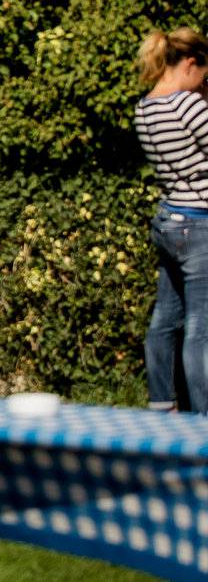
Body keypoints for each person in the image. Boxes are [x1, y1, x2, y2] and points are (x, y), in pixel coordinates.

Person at [135, 28, 208, 413]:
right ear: (191, 63)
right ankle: (203, 419)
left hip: (168, 219)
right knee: (201, 327)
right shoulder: (188, 105)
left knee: (165, 318)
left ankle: (162, 404)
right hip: (198, 222)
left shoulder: (145, 107)